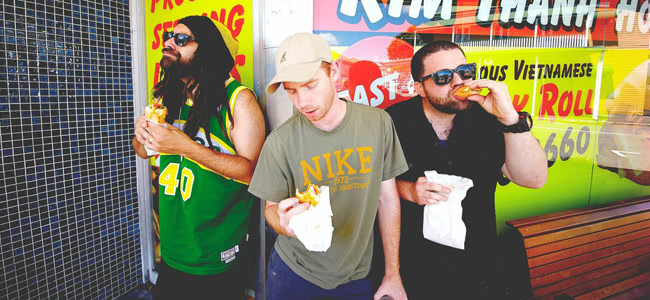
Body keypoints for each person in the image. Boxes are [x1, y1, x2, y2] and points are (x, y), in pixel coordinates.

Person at [248, 32, 409, 300]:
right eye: (292, 91)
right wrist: (285, 224)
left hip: (356, 275)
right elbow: (271, 209)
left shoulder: (378, 124)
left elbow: (387, 199)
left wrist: (393, 272)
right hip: (294, 273)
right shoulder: (280, 141)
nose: (302, 102)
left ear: (333, 72)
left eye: (310, 86)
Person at [385, 41, 547, 299]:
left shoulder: (487, 118)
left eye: (465, 71)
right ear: (420, 89)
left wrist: (510, 119)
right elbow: (365, 188)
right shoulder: (391, 122)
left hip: (478, 265)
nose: (459, 82)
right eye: (443, 77)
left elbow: (534, 179)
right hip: (414, 265)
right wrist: (407, 190)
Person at [131, 15, 265, 299]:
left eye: (181, 39)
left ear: (209, 51)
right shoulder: (165, 98)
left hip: (215, 254)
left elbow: (253, 174)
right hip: (170, 249)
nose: (168, 42)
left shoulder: (238, 100)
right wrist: (141, 134)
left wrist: (185, 146)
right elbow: (143, 152)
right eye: (169, 35)